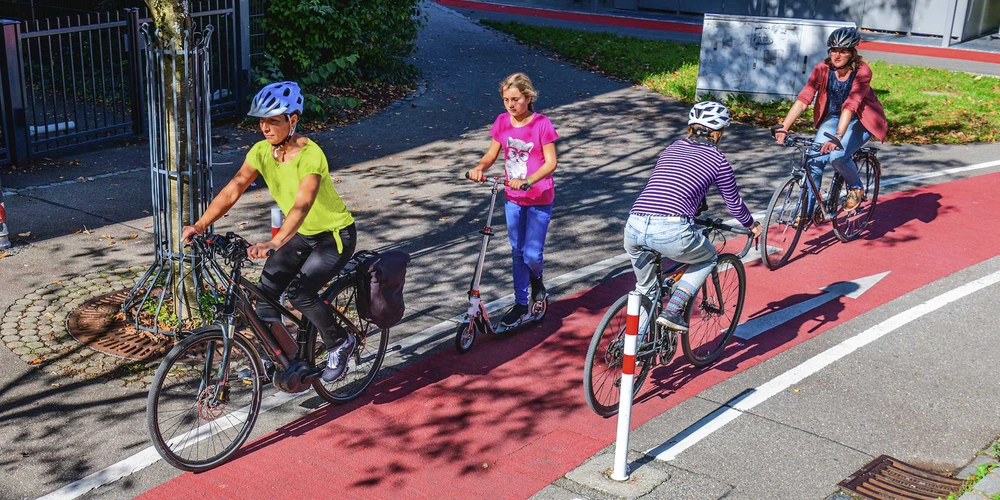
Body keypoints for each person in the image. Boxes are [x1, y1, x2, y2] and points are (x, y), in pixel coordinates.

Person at [181, 81, 357, 383]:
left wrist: (275, 241)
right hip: (300, 234)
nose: (265, 127)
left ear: (293, 120)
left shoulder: (310, 155)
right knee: (265, 297)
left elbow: (302, 205)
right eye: (262, 120)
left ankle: (340, 342)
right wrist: (200, 225)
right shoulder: (262, 152)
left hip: (334, 236)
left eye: (273, 120)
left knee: (300, 293)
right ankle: (277, 356)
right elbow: (233, 189)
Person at [624, 101, 762, 331]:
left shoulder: (672, 147)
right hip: (670, 230)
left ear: (691, 127)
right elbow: (734, 204)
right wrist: (752, 225)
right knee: (708, 258)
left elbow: (673, 183)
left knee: (645, 290)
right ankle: (673, 310)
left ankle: (635, 351)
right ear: (719, 132)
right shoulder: (718, 160)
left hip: (634, 225)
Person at [467, 72, 558, 329]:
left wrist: (529, 179)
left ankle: (537, 281)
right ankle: (520, 303)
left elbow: (551, 162)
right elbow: (491, 154)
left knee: (531, 254)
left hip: (539, 196)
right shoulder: (501, 122)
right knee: (517, 251)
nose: (510, 104)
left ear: (528, 98)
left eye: (515, 99)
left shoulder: (541, 123)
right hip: (513, 198)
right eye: (506, 99)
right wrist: (479, 168)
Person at [774, 26, 888, 215]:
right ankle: (806, 213)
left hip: (860, 120)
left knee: (837, 157)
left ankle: (856, 187)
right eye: (834, 50)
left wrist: (837, 137)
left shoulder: (862, 71)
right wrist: (784, 127)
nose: (837, 55)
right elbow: (804, 98)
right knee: (814, 161)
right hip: (834, 118)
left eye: (843, 51)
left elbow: (851, 105)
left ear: (852, 53)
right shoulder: (822, 68)